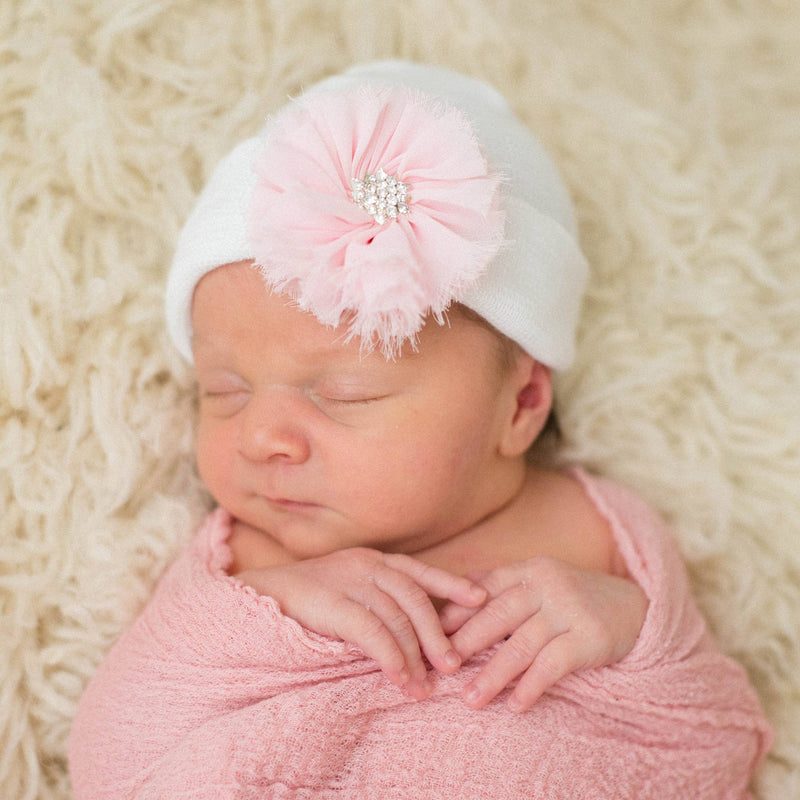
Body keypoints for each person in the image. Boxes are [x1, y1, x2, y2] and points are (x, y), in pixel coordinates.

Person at [68, 61, 771, 799]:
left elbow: (719, 744)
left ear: (521, 404)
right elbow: (113, 760)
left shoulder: (599, 535)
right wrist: (271, 614)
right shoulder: (247, 565)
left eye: (345, 393)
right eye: (226, 391)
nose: (263, 439)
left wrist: (631, 630)